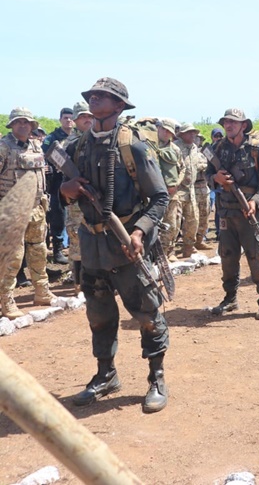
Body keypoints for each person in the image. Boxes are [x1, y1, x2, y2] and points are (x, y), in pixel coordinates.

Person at [60, 77, 170, 412]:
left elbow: (160, 197)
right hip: (92, 247)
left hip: (126, 247)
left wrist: (138, 233)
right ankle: (106, 375)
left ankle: (156, 377)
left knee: (148, 315)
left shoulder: (133, 146)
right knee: (99, 316)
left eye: (102, 96)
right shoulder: (77, 146)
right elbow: (64, 193)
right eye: (92, 95)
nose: (94, 99)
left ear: (119, 106)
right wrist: (65, 191)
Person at [206, 108, 259, 320]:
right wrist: (214, 178)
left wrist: (255, 201)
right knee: (227, 258)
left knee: (256, 257)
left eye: (233, 122)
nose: (229, 125)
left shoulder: (256, 149)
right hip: (226, 212)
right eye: (226, 122)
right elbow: (207, 174)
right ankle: (230, 299)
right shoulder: (217, 148)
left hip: (249, 213)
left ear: (243, 125)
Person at [0, 107, 57, 319]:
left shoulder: (36, 146)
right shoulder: (3, 148)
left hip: (36, 209)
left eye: (27, 122)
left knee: (38, 252)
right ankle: (6, 300)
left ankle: (42, 291)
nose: (23, 125)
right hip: (12, 210)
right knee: (12, 258)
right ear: (12, 125)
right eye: (19, 122)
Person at [64, 101, 94, 293]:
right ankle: (79, 284)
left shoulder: (98, 140)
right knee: (77, 241)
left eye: (90, 116)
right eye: (83, 117)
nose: (87, 120)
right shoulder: (68, 145)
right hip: (76, 201)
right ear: (74, 120)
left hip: (95, 199)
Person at [42, 107, 75, 264]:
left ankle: (74, 248)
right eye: (65, 118)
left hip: (75, 181)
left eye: (71, 117)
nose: (68, 120)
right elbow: (43, 155)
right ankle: (58, 250)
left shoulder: (78, 137)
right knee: (58, 216)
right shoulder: (52, 138)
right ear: (60, 119)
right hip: (57, 182)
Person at [154, 118, 185, 262]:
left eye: (169, 131)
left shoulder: (175, 149)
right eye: (164, 130)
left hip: (172, 194)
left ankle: (168, 251)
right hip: (152, 195)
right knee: (153, 225)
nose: (166, 133)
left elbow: (182, 168)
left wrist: (176, 184)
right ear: (158, 128)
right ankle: (155, 255)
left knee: (172, 225)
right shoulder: (149, 146)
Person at [175, 123, 201, 258]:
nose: (193, 135)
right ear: (182, 134)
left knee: (193, 220)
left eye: (194, 132)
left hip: (191, 191)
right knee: (174, 222)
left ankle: (189, 247)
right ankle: (169, 251)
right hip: (177, 191)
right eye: (189, 132)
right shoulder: (175, 147)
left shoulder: (195, 148)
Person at [193, 132, 212, 250]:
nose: (197, 140)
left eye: (199, 138)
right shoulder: (187, 152)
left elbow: (212, 165)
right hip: (193, 187)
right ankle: (190, 243)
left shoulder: (206, 152)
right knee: (192, 217)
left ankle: (199, 240)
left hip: (205, 187)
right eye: (195, 138)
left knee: (205, 216)